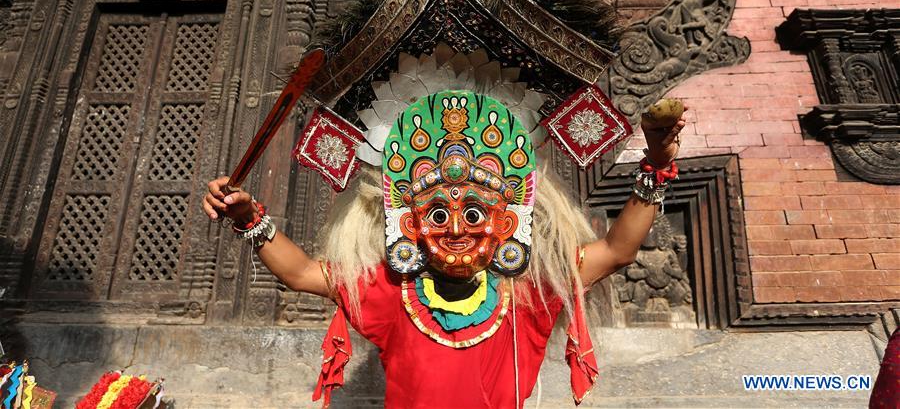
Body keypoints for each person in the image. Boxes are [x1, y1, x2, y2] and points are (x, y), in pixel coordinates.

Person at [202, 86, 685, 409]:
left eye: (473, 213)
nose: (456, 227)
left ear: (505, 220)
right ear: (408, 223)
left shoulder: (527, 292)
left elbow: (617, 251)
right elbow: (304, 274)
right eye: (437, 214)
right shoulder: (395, 292)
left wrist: (655, 167)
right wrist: (248, 217)